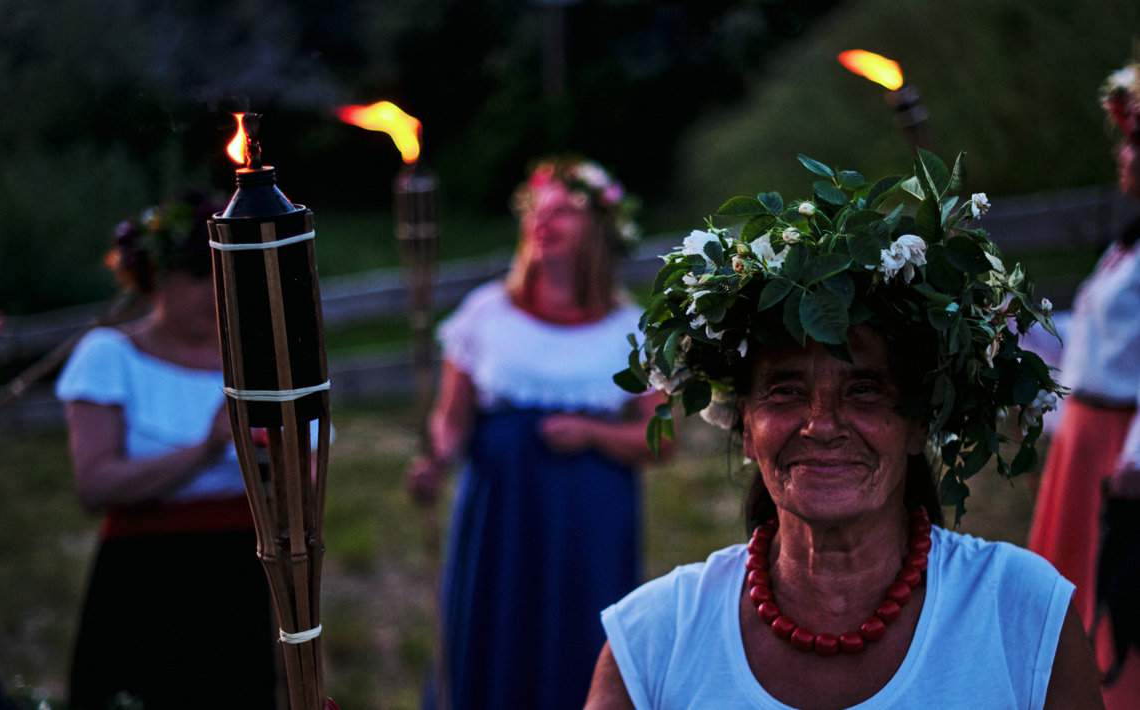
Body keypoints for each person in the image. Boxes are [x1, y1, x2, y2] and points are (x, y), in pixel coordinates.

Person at [586, 152, 1104, 708]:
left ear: (916, 423)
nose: (821, 425)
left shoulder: (1022, 614)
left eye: (864, 390)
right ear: (745, 420)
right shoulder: (652, 641)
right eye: (785, 390)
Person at [408, 157, 665, 709]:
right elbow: (451, 421)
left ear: (599, 229)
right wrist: (435, 458)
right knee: (494, 625)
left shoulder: (631, 330)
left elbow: (659, 440)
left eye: (565, 211)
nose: (545, 220)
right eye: (538, 210)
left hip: (589, 516)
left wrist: (593, 434)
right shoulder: (485, 314)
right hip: (500, 510)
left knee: (580, 633)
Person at [56, 194, 276, 709]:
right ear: (156, 274)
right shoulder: (109, 356)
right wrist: (204, 450)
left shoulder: (263, 359)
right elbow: (95, 486)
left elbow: (309, 477)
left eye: (226, 273)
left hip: (242, 573)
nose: (215, 290)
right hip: (146, 577)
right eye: (200, 274)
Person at [1028, 59, 1140, 709]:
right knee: (1068, 602)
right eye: (1123, 141)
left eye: (1137, 144)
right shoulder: (1123, 248)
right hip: (1084, 442)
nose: (1123, 157)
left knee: (1118, 596)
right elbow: (1092, 357)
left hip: (1120, 451)